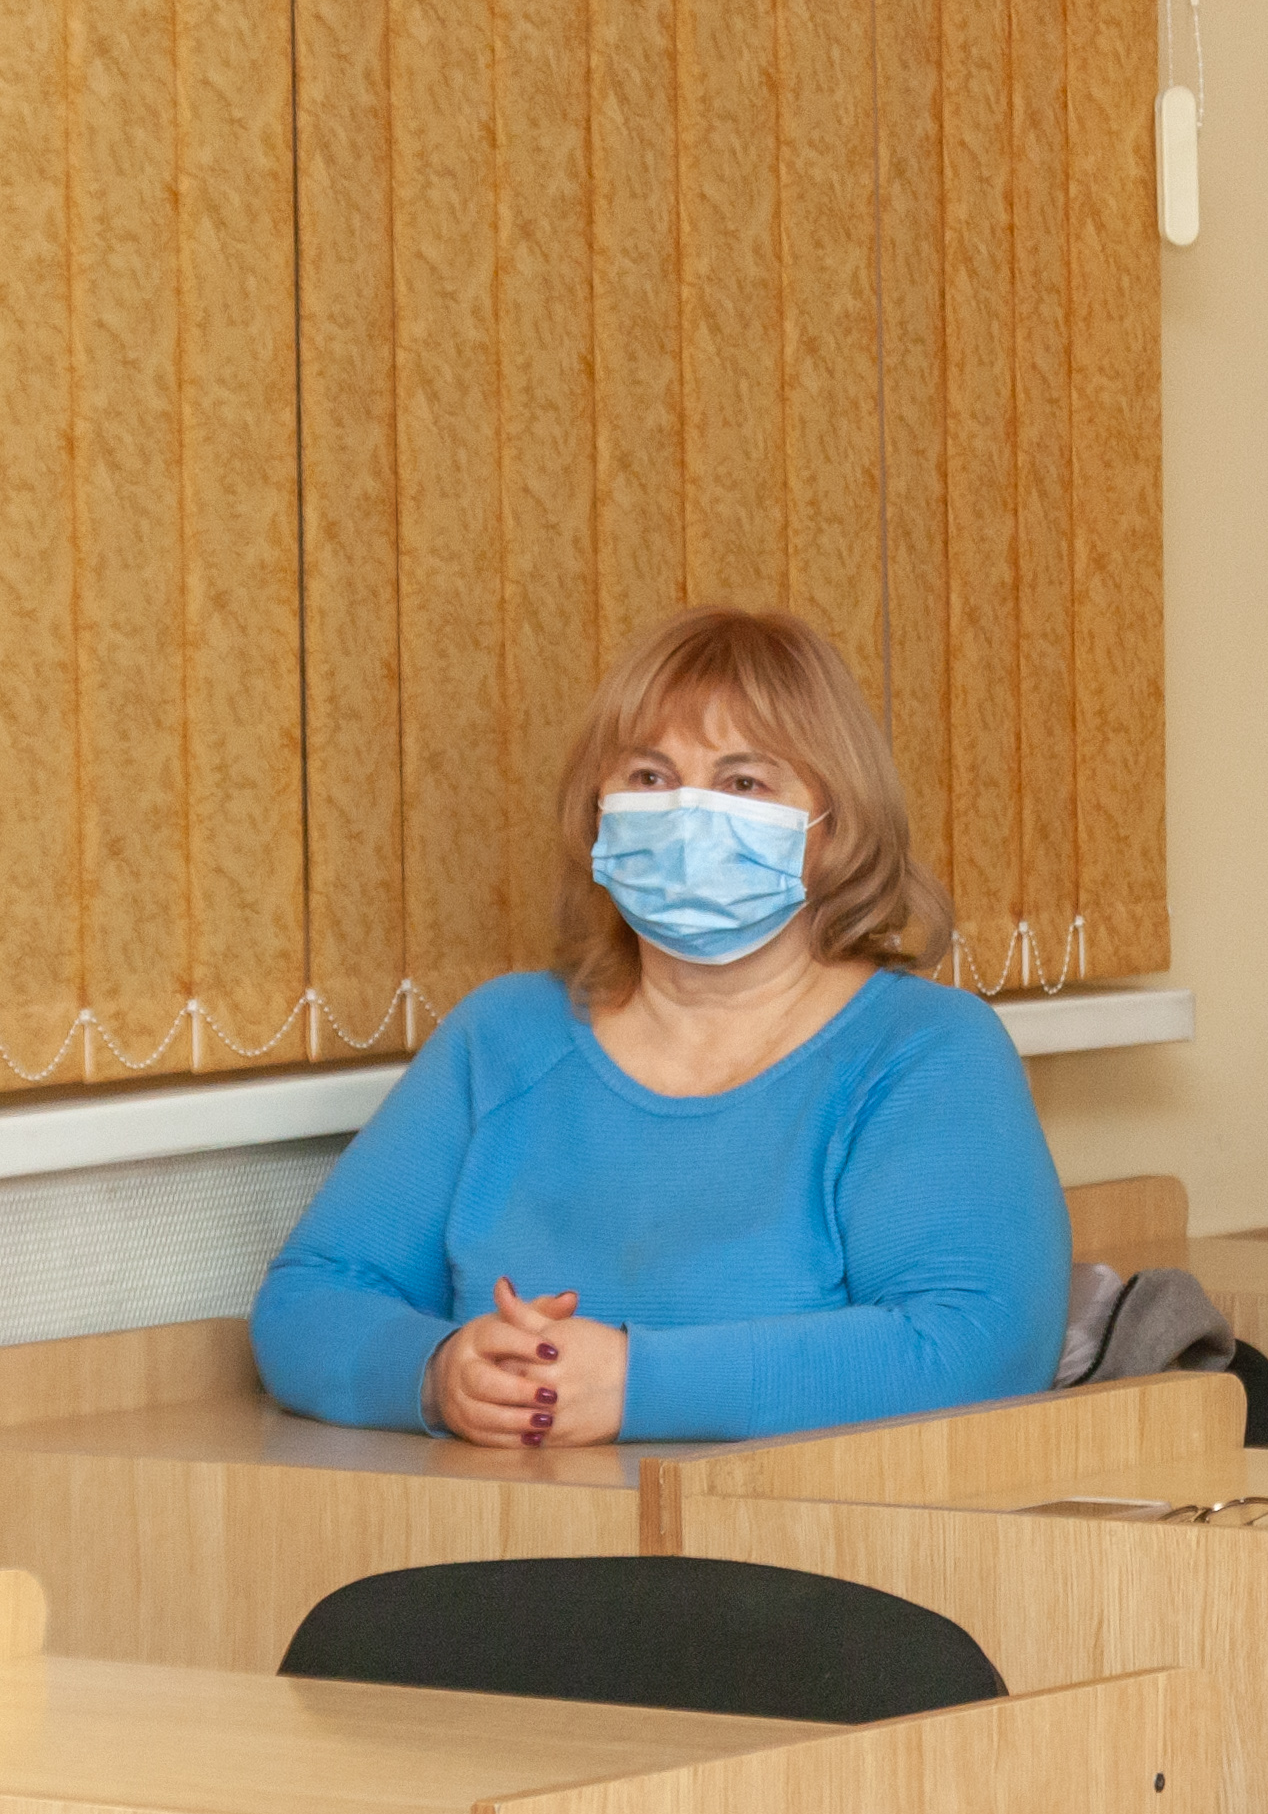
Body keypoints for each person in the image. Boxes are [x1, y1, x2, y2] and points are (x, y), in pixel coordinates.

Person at [252, 608, 1068, 1446]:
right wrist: (438, 1372)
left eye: (744, 783)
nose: (687, 813)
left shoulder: (925, 1051)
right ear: (598, 810)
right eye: (649, 775)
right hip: (505, 1522)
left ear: (835, 828)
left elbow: (980, 1348)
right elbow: (308, 1299)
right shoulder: (502, 1038)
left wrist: (636, 1383)